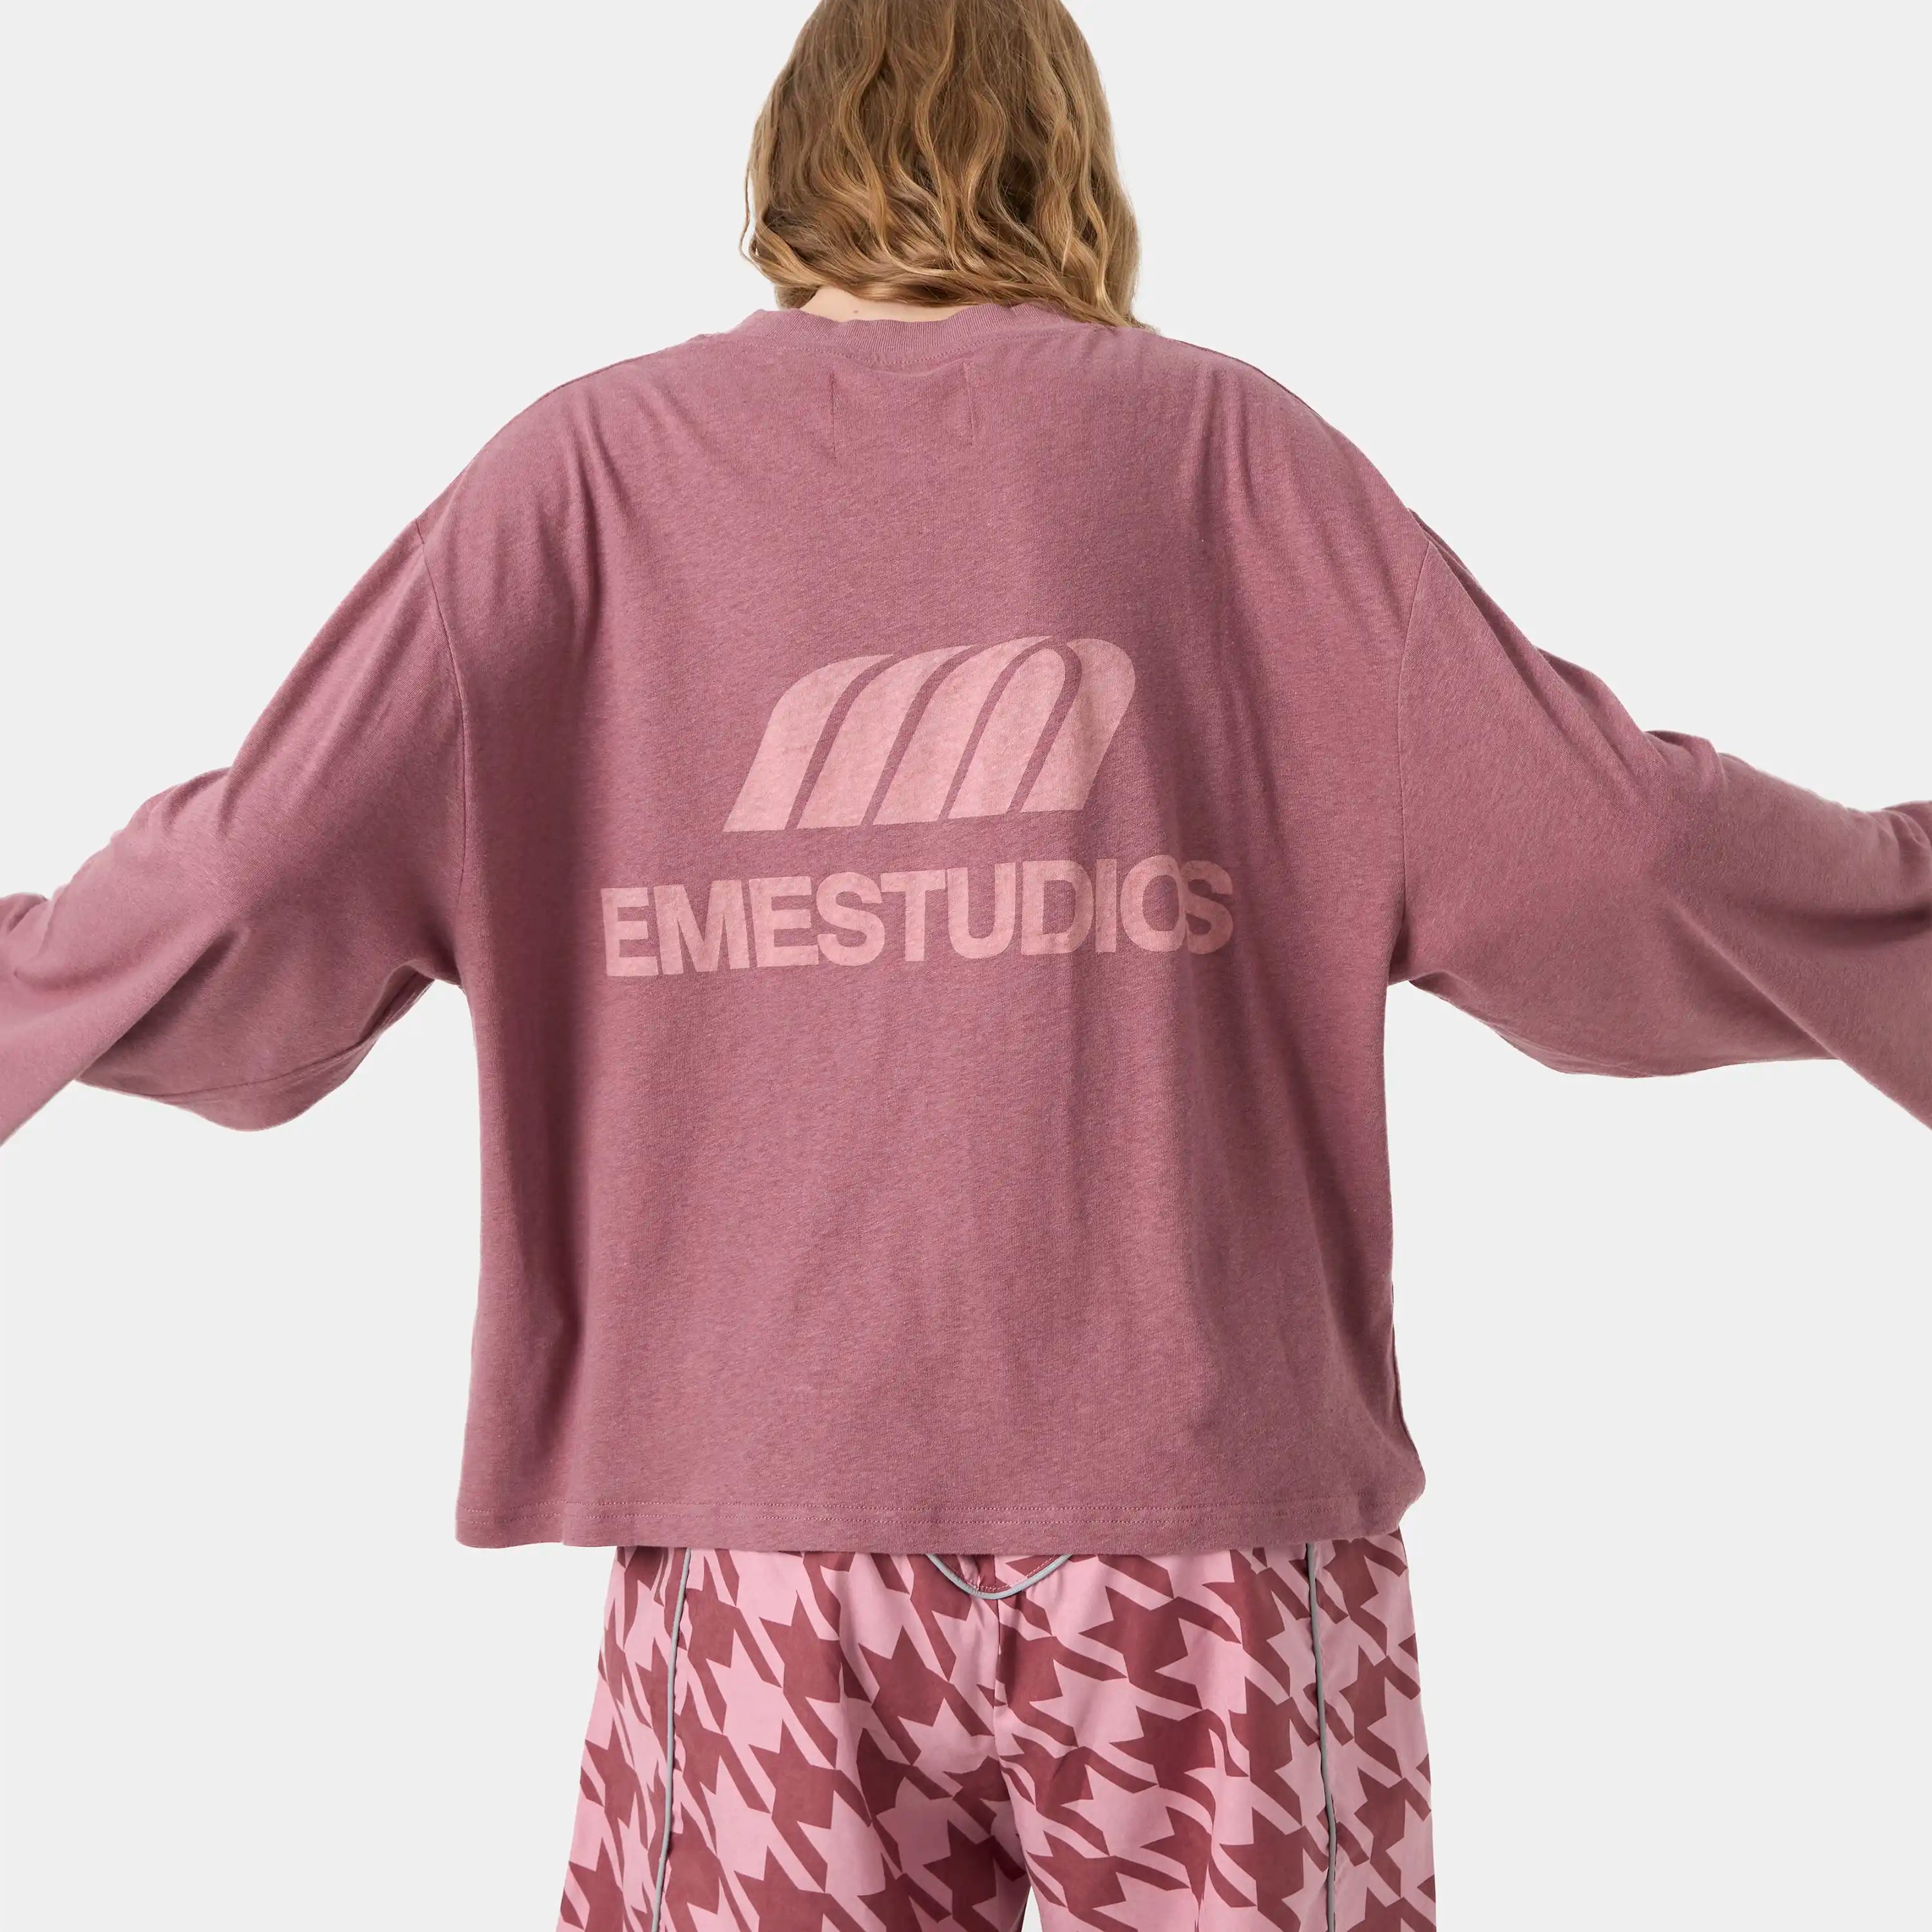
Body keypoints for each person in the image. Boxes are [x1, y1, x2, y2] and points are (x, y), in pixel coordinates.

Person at [3, 0, 1926, 1926]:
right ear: (1073, 164)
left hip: (763, 1542)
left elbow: (255, 871)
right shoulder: (1224, 459)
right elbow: (1612, 850)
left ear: (789, 167)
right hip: (1202, 1549)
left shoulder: (585, 480)